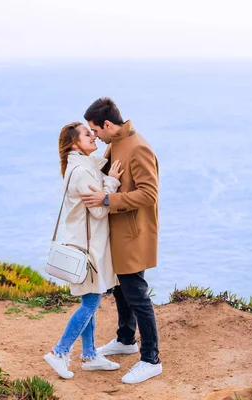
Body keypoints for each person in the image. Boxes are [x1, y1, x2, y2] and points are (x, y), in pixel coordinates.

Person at [80, 97, 162, 384]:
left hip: (132, 235)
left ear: (107, 124)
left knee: (136, 294)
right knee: (119, 290)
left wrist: (106, 198)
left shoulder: (138, 147)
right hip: (115, 233)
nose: (95, 136)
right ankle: (126, 340)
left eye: (96, 130)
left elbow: (149, 194)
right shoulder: (114, 144)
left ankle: (151, 359)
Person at [43, 121, 124, 379]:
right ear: (74, 143)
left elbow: (97, 163)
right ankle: (59, 352)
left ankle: (89, 355)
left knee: (89, 297)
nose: (94, 137)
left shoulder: (79, 166)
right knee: (91, 302)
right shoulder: (81, 172)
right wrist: (111, 184)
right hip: (89, 247)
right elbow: (99, 210)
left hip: (82, 242)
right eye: (88, 134)